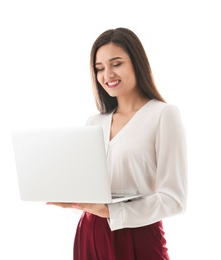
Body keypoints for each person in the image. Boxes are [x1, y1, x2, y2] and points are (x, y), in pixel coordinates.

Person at [47, 27, 187, 260]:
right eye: (99, 68)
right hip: (89, 232)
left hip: (137, 234)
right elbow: (90, 187)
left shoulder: (163, 115)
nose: (107, 74)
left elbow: (174, 199)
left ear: (136, 63)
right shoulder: (94, 122)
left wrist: (113, 211)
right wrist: (71, 198)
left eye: (116, 63)